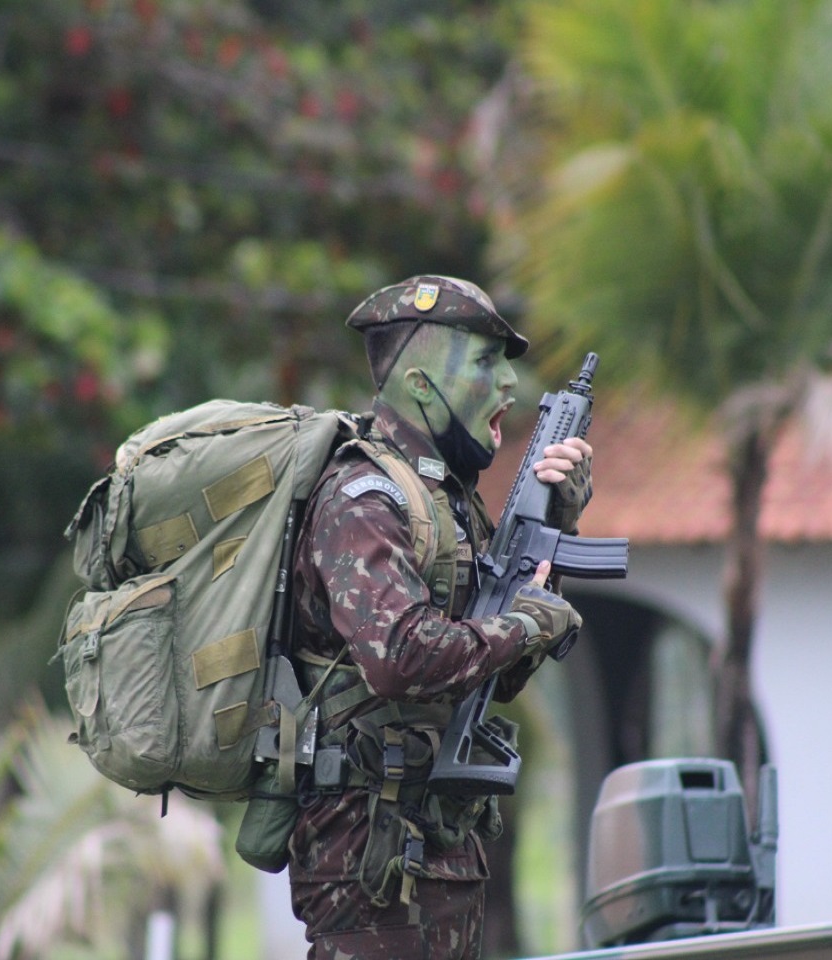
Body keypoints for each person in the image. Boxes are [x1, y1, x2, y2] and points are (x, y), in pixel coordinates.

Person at [286, 275, 592, 959]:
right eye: (484, 362)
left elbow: (491, 676)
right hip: (371, 862)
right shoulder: (363, 497)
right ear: (422, 385)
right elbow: (401, 658)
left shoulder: (446, 506)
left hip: (437, 851)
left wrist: (555, 533)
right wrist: (528, 624)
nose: (508, 382)